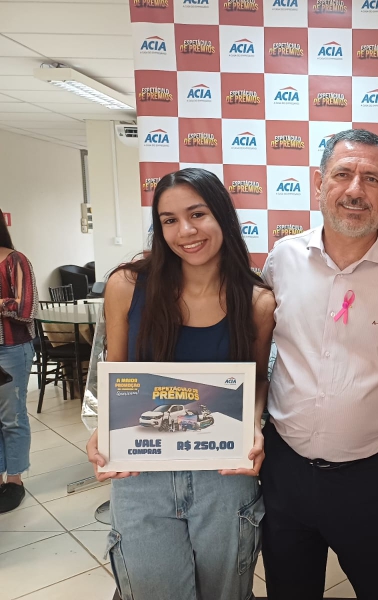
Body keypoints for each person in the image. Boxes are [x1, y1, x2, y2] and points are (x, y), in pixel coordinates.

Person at [260, 129, 378, 600]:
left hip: (375, 479)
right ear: (318, 183)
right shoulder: (282, 260)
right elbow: (256, 355)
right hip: (286, 473)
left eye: (371, 178)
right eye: (342, 175)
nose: (355, 190)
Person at [85, 168, 275, 600]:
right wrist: (104, 428)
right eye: (169, 220)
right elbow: (117, 371)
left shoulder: (257, 301)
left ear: (222, 215)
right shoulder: (126, 286)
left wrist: (252, 424)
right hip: (142, 472)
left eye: (197, 214)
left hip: (223, 475)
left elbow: (257, 380)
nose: (185, 231)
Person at [0, 211, 38, 513]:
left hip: (11, 348)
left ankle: (14, 481)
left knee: (11, 418)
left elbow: (26, 308)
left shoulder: (15, 260)